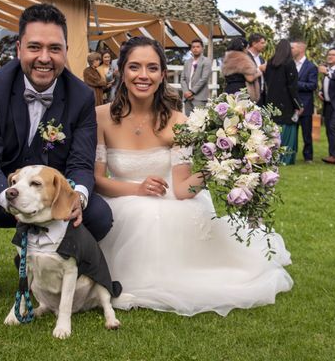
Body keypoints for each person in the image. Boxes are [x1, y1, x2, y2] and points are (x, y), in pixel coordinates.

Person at [95, 36, 293, 316]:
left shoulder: (178, 121)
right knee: (139, 216)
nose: (143, 75)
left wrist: (219, 164)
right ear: (121, 71)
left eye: (152, 68)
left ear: (163, 75)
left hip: (171, 203)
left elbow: (181, 189)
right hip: (121, 200)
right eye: (134, 67)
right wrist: (137, 189)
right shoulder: (100, 116)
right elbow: (97, 179)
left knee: (165, 226)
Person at [0, 4, 113, 309]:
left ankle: (43, 262)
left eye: (54, 48)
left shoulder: (81, 96)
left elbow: (81, 162)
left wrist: (76, 199)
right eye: (35, 47)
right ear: (19, 49)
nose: (45, 58)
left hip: (47, 199)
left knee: (98, 214)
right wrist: (10, 198)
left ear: (66, 51)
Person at [264, 39, 302, 165]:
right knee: (288, 128)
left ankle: (273, 156)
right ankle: (285, 158)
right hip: (286, 102)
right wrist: (298, 104)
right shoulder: (289, 63)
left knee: (274, 129)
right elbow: (292, 86)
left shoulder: (270, 63)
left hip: (272, 100)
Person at [290, 38, 318, 163]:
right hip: (291, 104)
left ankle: (308, 157)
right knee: (292, 132)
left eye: (293, 48)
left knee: (307, 133)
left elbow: (312, 85)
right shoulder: (289, 65)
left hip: (305, 105)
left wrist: (295, 84)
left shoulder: (311, 67)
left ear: (301, 49)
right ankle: (291, 154)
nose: (291, 50)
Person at [221, 36, 261, 102]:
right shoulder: (243, 59)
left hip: (229, 89)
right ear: (243, 48)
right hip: (241, 91)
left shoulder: (227, 58)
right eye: (247, 48)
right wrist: (259, 71)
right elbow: (250, 78)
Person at [181, 39, 212, 115]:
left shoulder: (206, 61)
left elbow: (204, 79)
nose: (195, 49)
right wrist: (186, 92)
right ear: (191, 49)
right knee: (187, 122)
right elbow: (182, 79)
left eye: (198, 47)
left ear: (202, 48)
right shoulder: (187, 62)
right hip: (187, 98)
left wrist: (191, 92)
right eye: (193, 47)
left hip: (199, 98)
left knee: (200, 123)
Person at [246, 33, 268, 105]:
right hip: (249, 96)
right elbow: (247, 75)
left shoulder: (261, 58)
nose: (264, 45)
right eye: (262, 43)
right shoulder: (245, 56)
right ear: (254, 43)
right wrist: (260, 69)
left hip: (262, 95)